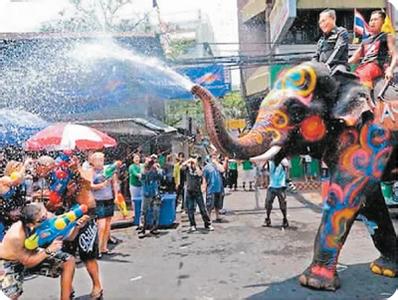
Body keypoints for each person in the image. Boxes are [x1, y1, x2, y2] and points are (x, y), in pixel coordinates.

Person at [0, 203, 87, 300]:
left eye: (45, 215)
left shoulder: (47, 218)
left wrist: (77, 227)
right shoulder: (17, 235)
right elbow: (27, 263)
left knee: (68, 261)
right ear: (31, 224)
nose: (46, 219)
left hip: (33, 253)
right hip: (10, 261)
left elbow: (70, 237)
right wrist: (48, 250)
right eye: (41, 220)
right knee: (12, 294)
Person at [61, 155, 103, 299]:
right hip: (69, 215)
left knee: (87, 254)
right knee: (67, 255)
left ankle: (97, 285)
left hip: (87, 215)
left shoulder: (86, 169)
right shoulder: (63, 174)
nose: (70, 161)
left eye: (72, 159)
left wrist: (77, 169)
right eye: (68, 160)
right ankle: (68, 289)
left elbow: (87, 182)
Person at [349, 10, 397, 89]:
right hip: (363, 67)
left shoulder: (387, 36)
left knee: (364, 73)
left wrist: (390, 69)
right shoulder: (365, 40)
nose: (372, 22)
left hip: (377, 66)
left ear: (383, 22)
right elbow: (354, 57)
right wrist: (343, 64)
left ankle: (365, 98)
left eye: (376, 19)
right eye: (371, 20)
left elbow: (395, 55)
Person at [90, 152, 118, 256]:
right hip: (98, 199)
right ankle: (97, 248)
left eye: (102, 159)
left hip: (109, 198)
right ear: (93, 161)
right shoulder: (91, 172)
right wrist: (101, 185)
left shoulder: (108, 169)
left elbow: (114, 183)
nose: (100, 162)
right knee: (101, 225)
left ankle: (104, 247)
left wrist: (116, 196)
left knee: (107, 224)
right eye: (98, 160)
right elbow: (90, 186)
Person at [181, 157, 213, 232]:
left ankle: (207, 224)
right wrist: (189, 160)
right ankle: (192, 225)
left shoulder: (198, 168)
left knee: (202, 208)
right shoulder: (187, 169)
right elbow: (182, 166)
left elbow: (200, 174)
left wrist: (196, 165)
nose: (192, 164)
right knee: (190, 209)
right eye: (191, 163)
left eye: (193, 163)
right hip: (189, 191)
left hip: (197, 191)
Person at [0, 160, 30, 241]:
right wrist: (25, 164)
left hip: (18, 216)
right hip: (3, 218)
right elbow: (15, 180)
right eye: (18, 170)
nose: (21, 173)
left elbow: (21, 198)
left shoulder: (22, 183)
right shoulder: (4, 180)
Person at [138, 156, 163, 237]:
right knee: (144, 212)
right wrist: (146, 168)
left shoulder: (155, 169)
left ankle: (154, 228)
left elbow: (161, 177)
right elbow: (142, 177)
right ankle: (143, 229)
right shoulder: (143, 170)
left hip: (155, 193)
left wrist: (157, 169)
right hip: (146, 193)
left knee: (155, 211)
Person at [263, 159, 290, 228]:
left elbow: (287, 166)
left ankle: (285, 219)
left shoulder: (283, 160)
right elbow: (265, 170)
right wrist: (265, 181)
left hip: (281, 186)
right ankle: (268, 218)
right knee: (268, 202)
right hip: (271, 186)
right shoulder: (269, 162)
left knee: (283, 204)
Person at [203, 151, 225, 222]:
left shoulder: (218, 165)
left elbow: (222, 170)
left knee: (218, 204)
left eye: (216, 156)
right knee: (209, 204)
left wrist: (216, 163)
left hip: (219, 188)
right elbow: (204, 178)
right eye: (213, 156)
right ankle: (208, 217)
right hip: (211, 188)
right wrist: (203, 187)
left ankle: (217, 216)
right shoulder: (207, 167)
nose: (215, 157)